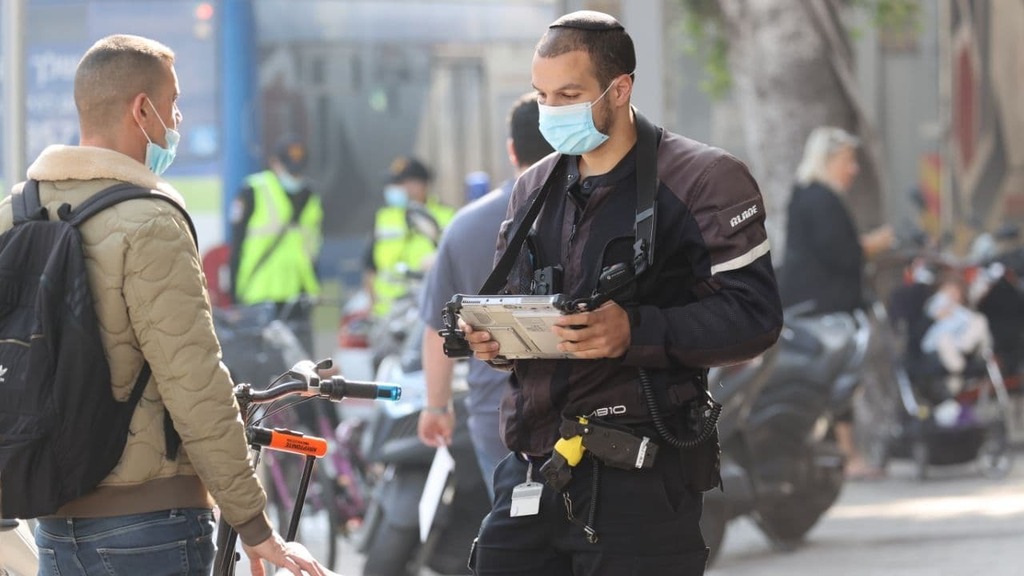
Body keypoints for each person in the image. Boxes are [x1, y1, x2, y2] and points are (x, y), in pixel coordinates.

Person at [459, 11, 783, 575]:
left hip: (642, 477)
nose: (552, 110)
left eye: (568, 93)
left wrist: (635, 330)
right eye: (541, 95)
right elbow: (517, 302)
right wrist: (495, 339)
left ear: (620, 88)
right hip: (534, 467)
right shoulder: (532, 189)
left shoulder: (705, 180)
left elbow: (755, 317)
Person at [0, 35, 325, 576]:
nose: (177, 119)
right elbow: (194, 382)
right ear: (142, 109)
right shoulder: (150, 221)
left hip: (51, 520)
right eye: (173, 104)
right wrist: (255, 526)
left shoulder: (16, 212)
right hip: (148, 524)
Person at [417, 93, 554, 498]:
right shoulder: (586, 214)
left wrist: (437, 408)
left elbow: (435, 332)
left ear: (512, 150)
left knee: (515, 531)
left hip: (497, 418)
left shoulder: (465, 226)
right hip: (578, 413)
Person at [778, 126, 895, 481]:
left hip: (810, 304)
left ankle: (838, 454)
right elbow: (838, 253)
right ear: (829, 160)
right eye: (848, 161)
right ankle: (848, 455)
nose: (853, 169)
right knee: (838, 380)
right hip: (824, 308)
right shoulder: (820, 198)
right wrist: (873, 244)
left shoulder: (806, 194)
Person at [229, 135, 324, 356]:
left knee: (303, 371)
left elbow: (313, 249)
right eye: (290, 169)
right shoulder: (253, 190)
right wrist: (234, 298)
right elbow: (237, 247)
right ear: (275, 163)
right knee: (263, 368)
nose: (295, 176)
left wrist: (314, 287)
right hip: (259, 294)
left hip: (299, 296)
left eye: (299, 170)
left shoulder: (311, 196)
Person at [362, 156, 455, 318]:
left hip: (428, 312)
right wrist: (371, 306)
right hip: (387, 314)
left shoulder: (447, 216)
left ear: (420, 185)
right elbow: (370, 267)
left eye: (400, 184)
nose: (393, 189)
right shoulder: (384, 217)